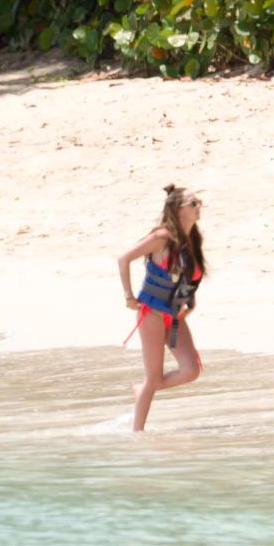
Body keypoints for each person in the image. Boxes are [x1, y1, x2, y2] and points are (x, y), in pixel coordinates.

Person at [117, 184, 206, 432]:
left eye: (199, 202)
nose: (199, 207)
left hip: (175, 316)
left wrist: (190, 302)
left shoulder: (193, 241)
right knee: (153, 378)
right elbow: (123, 259)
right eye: (193, 204)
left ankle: (143, 389)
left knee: (191, 371)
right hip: (152, 315)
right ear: (178, 210)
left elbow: (191, 277)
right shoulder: (161, 238)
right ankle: (138, 434)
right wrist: (128, 296)